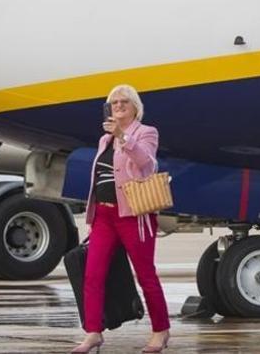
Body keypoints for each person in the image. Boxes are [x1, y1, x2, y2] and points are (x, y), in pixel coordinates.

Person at [73, 85, 170, 354]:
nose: (117, 105)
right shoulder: (105, 140)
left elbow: (148, 165)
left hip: (132, 214)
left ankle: (161, 330)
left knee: (145, 274)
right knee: (92, 274)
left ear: (135, 106)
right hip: (104, 215)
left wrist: (123, 137)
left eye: (123, 101)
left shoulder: (146, 132)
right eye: (113, 102)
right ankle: (93, 332)